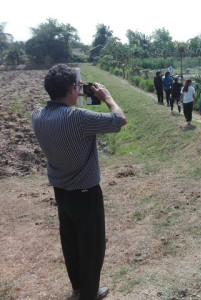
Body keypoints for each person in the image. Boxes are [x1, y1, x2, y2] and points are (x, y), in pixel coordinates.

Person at [31, 64, 127, 300]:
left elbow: (66, 109)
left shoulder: (37, 115)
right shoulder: (79, 118)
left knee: (71, 243)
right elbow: (119, 120)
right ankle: (89, 294)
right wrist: (107, 97)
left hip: (61, 193)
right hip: (86, 193)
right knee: (92, 247)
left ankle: (78, 289)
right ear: (72, 88)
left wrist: (75, 95)